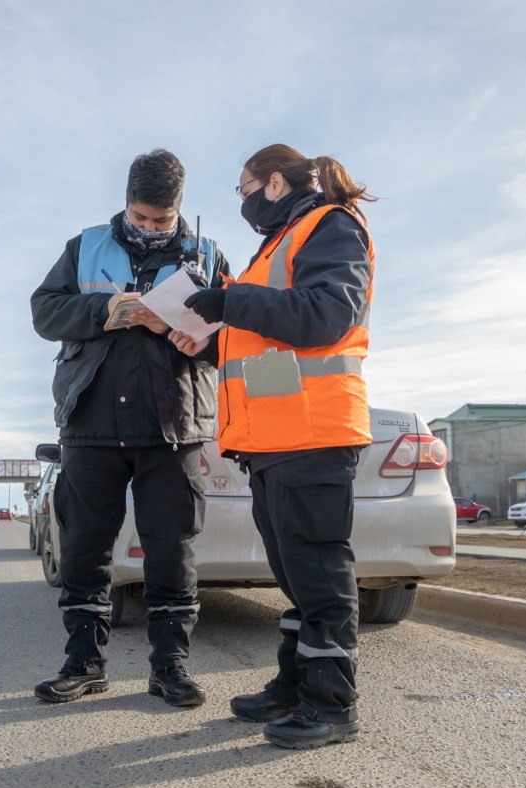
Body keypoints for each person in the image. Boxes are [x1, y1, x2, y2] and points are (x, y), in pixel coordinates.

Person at [172, 143, 376, 749]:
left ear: (277, 182)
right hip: (274, 439)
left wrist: (229, 300)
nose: (243, 204)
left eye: (244, 191)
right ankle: (295, 685)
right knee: (296, 572)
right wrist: (209, 343)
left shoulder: (332, 225)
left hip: (313, 434)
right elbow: (273, 340)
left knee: (318, 568)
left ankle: (332, 706)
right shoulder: (280, 240)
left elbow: (325, 317)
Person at [30, 149, 230, 707]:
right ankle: (84, 664)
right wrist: (103, 309)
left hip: (174, 427)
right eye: (139, 217)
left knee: (172, 548)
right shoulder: (85, 245)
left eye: (160, 221)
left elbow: (231, 336)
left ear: (179, 211)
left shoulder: (209, 256)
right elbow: (44, 312)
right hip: (92, 422)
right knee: (85, 548)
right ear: (125, 203)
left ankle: (171, 668)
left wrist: (199, 335)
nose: (148, 228)